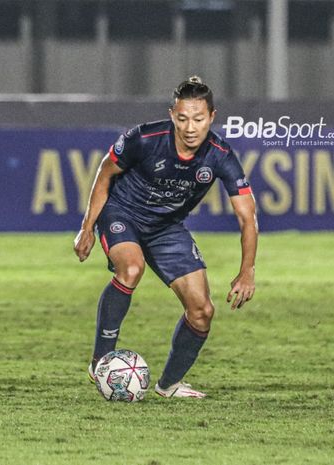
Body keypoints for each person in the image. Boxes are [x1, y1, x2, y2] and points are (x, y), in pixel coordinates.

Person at [73, 76, 258, 398]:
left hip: (167, 228)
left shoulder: (220, 155)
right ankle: (100, 360)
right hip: (122, 214)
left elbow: (247, 216)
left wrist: (247, 271)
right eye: (183, 118)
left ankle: (169, 385)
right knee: (131, 269)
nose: (190, 127)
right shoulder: (144, 138)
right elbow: (105, 172)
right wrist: (87, 227)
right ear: (172, 114)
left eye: (199, 119)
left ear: (212, 117)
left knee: (202, 312)